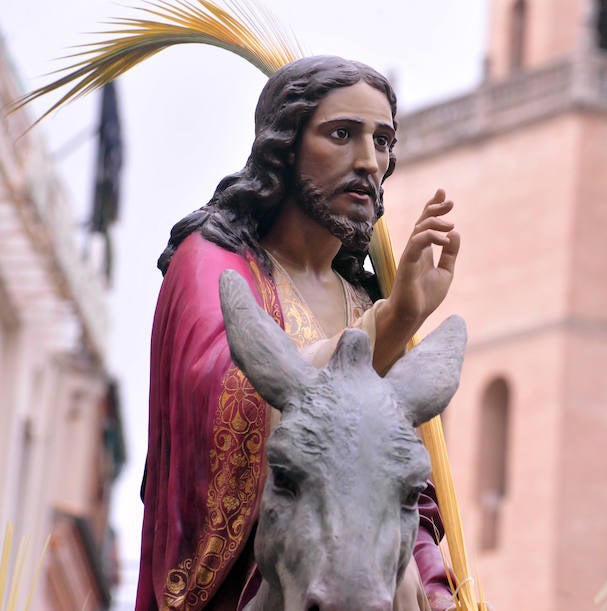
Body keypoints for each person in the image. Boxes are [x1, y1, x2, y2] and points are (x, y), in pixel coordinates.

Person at [136, 55, 460, 610]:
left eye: (381, 141)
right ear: (284, 147)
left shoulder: (359, 298)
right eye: (342, 134)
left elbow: (398, 487)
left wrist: (438, 591)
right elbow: (225, 403)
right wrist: (395, 320)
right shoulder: (212, 263)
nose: (367, 161)